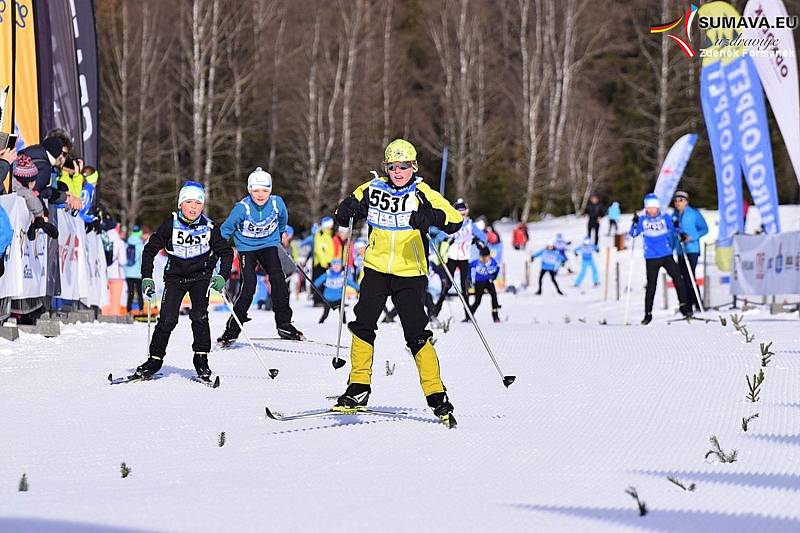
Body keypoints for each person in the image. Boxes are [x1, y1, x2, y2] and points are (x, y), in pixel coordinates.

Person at [332, 138, 463, 426]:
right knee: (363, 323)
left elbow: (455, 220)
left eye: (404, 166)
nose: (398, 171)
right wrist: (346, 211)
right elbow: (344, 211)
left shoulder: (422, 191)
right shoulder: (373, 188)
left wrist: (430, 216)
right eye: (393, 166)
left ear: (413, 167)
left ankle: (436, 395)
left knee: (416, 334)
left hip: (410, 273)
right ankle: (358, 388)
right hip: (376, 268)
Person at [134, 181, 233, 380]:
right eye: (189, 202)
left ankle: (201, 359)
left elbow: (226, 252)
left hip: (201, 277)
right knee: (167, 320)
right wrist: (146, 277)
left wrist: (222, 276)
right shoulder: (170, 224)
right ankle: (154, 359)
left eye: (198, 203)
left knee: (199, 317)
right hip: (175, 278)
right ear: (180, 204)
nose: (193, 207)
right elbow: (149, 250)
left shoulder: (209, 226)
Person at [217, 167, 304, 345]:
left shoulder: (276, 203)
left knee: (278, 278)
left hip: (268, 244)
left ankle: (284, 324)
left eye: (264, 190)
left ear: (270, 190)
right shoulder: (242, 209)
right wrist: (215, 248)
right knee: (249, 285)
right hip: (246, 248)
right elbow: (225, 229)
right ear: (250, 190)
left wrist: (279, 235)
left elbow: (283, 220)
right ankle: (232, 330)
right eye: (256, 190)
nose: (260, 194)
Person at [629, 193, 692, 325]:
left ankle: (684, 307)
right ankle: (648, 314)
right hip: (651, 257)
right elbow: (634, 234)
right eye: (649, 208)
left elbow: (676, 229)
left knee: (678, 279)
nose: (652, 210)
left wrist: (680, 231)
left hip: (666, 255)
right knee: (651, 286)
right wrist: (634, 224)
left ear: (658, 207)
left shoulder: (665, 217)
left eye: (654, 207)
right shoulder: (643, 220)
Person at [434, 198, 486, 322]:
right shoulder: (451, 223)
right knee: (447, 285)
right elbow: (438, 238)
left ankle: (468, 315)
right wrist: (446, 241)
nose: (461, 214)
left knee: (464, 286)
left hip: (464, 258)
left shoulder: (470, 224)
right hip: (451, 257)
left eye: (463, 211)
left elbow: (483, 237)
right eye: (459, 211)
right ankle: (435, 313)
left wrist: (478, 241)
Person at [672, 190, 708, 311]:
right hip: (680, 250)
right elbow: (672, 233)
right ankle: (688, 304)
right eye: (676, 201)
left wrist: (692, 237)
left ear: (686, 201)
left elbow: (704, 229)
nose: (678, 203)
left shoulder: (693, 214)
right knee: (682, 277)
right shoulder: (674, 215)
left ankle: (697, 303)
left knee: (689, 276)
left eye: (681, 200)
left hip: (692, 249)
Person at [11, 154, 59, 240]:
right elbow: (32, 199)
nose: (35, 183)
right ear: (27, 181)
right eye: (33, 180)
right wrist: (40, 214)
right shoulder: (23, 191)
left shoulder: (13, 180)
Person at [313, 258, 360, 323]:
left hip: (339, 298)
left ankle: (344, 323)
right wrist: (315, 285)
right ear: (331, 267)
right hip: (328, 298)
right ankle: (320, 322)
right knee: (325, 314)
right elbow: (320, 280)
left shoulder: (342, 276)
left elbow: (350, 283)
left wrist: (358, 288)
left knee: (342, 312)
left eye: (338, 266)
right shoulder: (328, 274)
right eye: (334, 265)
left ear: (341, 266)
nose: (336, 267)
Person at [468, 247, 501, 323]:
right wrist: (469, 278)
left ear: (489, 256)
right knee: (478, 301)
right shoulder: (477, 262)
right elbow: (469, 267)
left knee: (494, 297)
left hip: (488, 281)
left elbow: (497, 269)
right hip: (479, 282)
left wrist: (493, 277)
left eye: (485, 257)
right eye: (482, 257)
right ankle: (469, 315)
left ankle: (495, 316)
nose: (483, 259)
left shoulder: (493, 262)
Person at [312, 217, 335, 306]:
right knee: (319, 281)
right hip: (320, 264)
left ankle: (324, 299)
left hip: (328, 263)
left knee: (326, 283)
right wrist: (323, 262)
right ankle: (317, 300)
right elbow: (319, 250)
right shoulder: (320, 234)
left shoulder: (328, 234)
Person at [124, 224, 145, 312]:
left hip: (128, 272)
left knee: (130, 292)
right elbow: (143, 259)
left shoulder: (127, 243)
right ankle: (141, 309)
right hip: (138, 273)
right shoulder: (140, 245)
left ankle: (128, 309)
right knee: (139, 292)